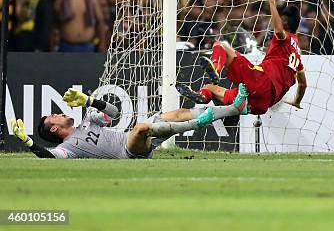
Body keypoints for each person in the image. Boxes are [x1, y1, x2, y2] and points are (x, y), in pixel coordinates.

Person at [10, 86, 248, 159]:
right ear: (55, 129)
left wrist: (90, 100)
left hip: (134, 140)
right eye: (55, 116)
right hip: (129, 152)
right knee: (142, 127)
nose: (59, 113)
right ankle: (200, 123)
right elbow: (47, 156)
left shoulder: (88, 121)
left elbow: (113, 112)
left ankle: (234, 107)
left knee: (176, 114)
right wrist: (27, 141)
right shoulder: (67, 148)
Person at [178, 0, 307, 118]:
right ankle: (202, 96)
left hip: (261, 81)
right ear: (297, 28)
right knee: (211, 88)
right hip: (263, 103)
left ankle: (215, 70)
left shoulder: (284, 38)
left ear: (284, 22)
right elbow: (303, 84)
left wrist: (271, 1)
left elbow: (279, 30)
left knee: (220, 46)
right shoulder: (297, 55)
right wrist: (296, 101)